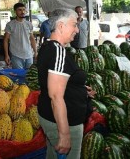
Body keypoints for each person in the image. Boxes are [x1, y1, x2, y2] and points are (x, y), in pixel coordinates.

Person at [37, 8, 96, 159]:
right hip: (63, 123)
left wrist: (79, 89)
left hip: (50, 117)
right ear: (61, 26)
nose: (77, 30)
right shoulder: (58, 52)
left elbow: (53, 80)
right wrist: (64, 134)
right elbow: (56, 96)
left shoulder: (47, 47)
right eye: (74, 25)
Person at [3, 3, 37, 69]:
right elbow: (5, 40)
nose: (22, 12)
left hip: (29, 55)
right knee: (18, 76)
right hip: (16, 55)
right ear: (15, 11)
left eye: (24, 10)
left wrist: (35, 52)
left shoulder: (29, 24)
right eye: (20, 10)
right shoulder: (10, 24)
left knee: (30, 76)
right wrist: (6, 55)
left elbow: (32, 38)